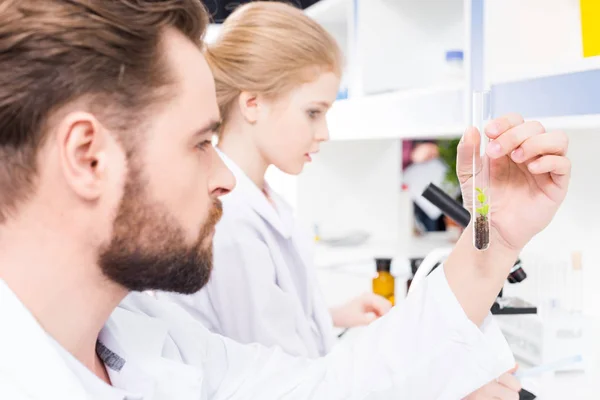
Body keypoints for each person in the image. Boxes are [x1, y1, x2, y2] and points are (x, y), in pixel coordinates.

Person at [0, 1, 571, 399]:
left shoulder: (149, 337)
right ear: (88, 157)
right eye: (200, 142)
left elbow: (326, 389)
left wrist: (490, 243)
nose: (223, 177)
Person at [159, 2, 393, 361]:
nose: (324, 133)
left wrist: (329, 318)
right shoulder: (229, 220)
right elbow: (280, 369)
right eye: (313, 112)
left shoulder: (265, 202)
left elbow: (255, 327)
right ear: (252, 104)